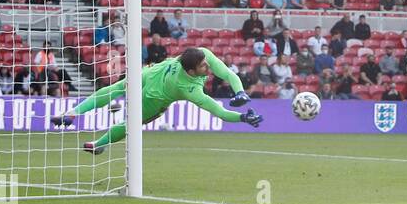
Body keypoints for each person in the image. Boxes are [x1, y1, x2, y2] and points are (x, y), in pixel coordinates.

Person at [50, 47, 262, 154]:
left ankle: (74, 115)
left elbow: (229, 75)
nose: (208, 68)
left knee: (115, 89)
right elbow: (219, 112)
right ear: (191, 70)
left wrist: (240, 92)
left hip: (150, 73)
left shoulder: (199, 55)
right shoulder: (189, 89)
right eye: (204, 67)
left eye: (207, 64)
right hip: (154, 98)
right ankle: (97, 142)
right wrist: (243, 117)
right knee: (130, 124)